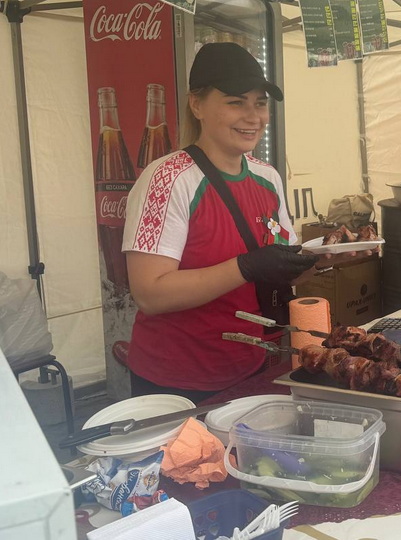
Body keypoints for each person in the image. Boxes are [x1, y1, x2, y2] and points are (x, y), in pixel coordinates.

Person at [122, 43, 367, 403]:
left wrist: (318, 261)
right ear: (196, 104)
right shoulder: (167, 179)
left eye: (260, 103)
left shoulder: (268, 178)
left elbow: (280, 273)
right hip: (176, 382)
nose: (253, 116)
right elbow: (149, 293)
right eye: (236, 102)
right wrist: (246, 265)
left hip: (255, 366)